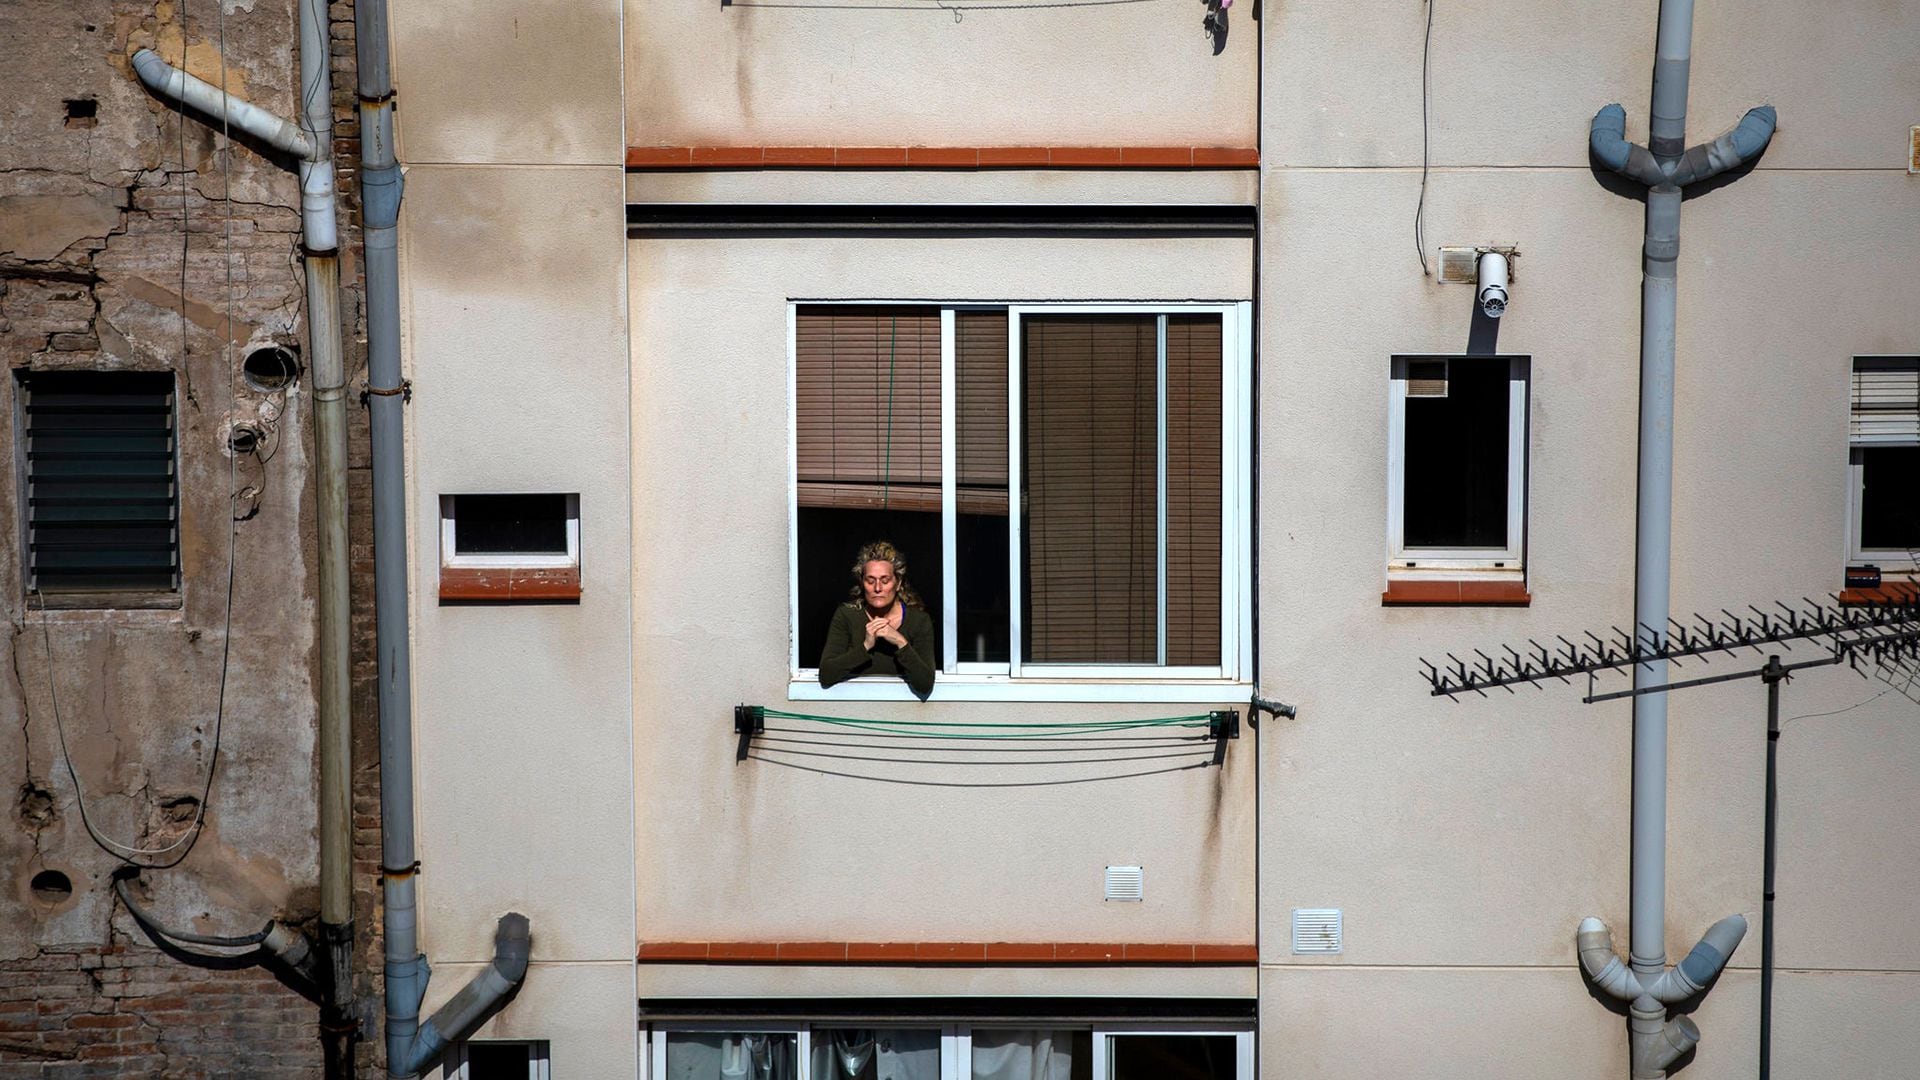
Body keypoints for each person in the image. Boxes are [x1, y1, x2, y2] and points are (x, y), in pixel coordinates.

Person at [818, 540, 936, 700]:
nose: (878, 588)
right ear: (862, 582)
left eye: (885, 580)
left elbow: (925, 683)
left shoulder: (919, 621)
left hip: (903, 712)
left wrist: (900, 642)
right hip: (854, 707)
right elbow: (826, 674)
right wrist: (865, 646)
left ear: (898, 583)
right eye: (870, 580)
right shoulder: (847, 615)